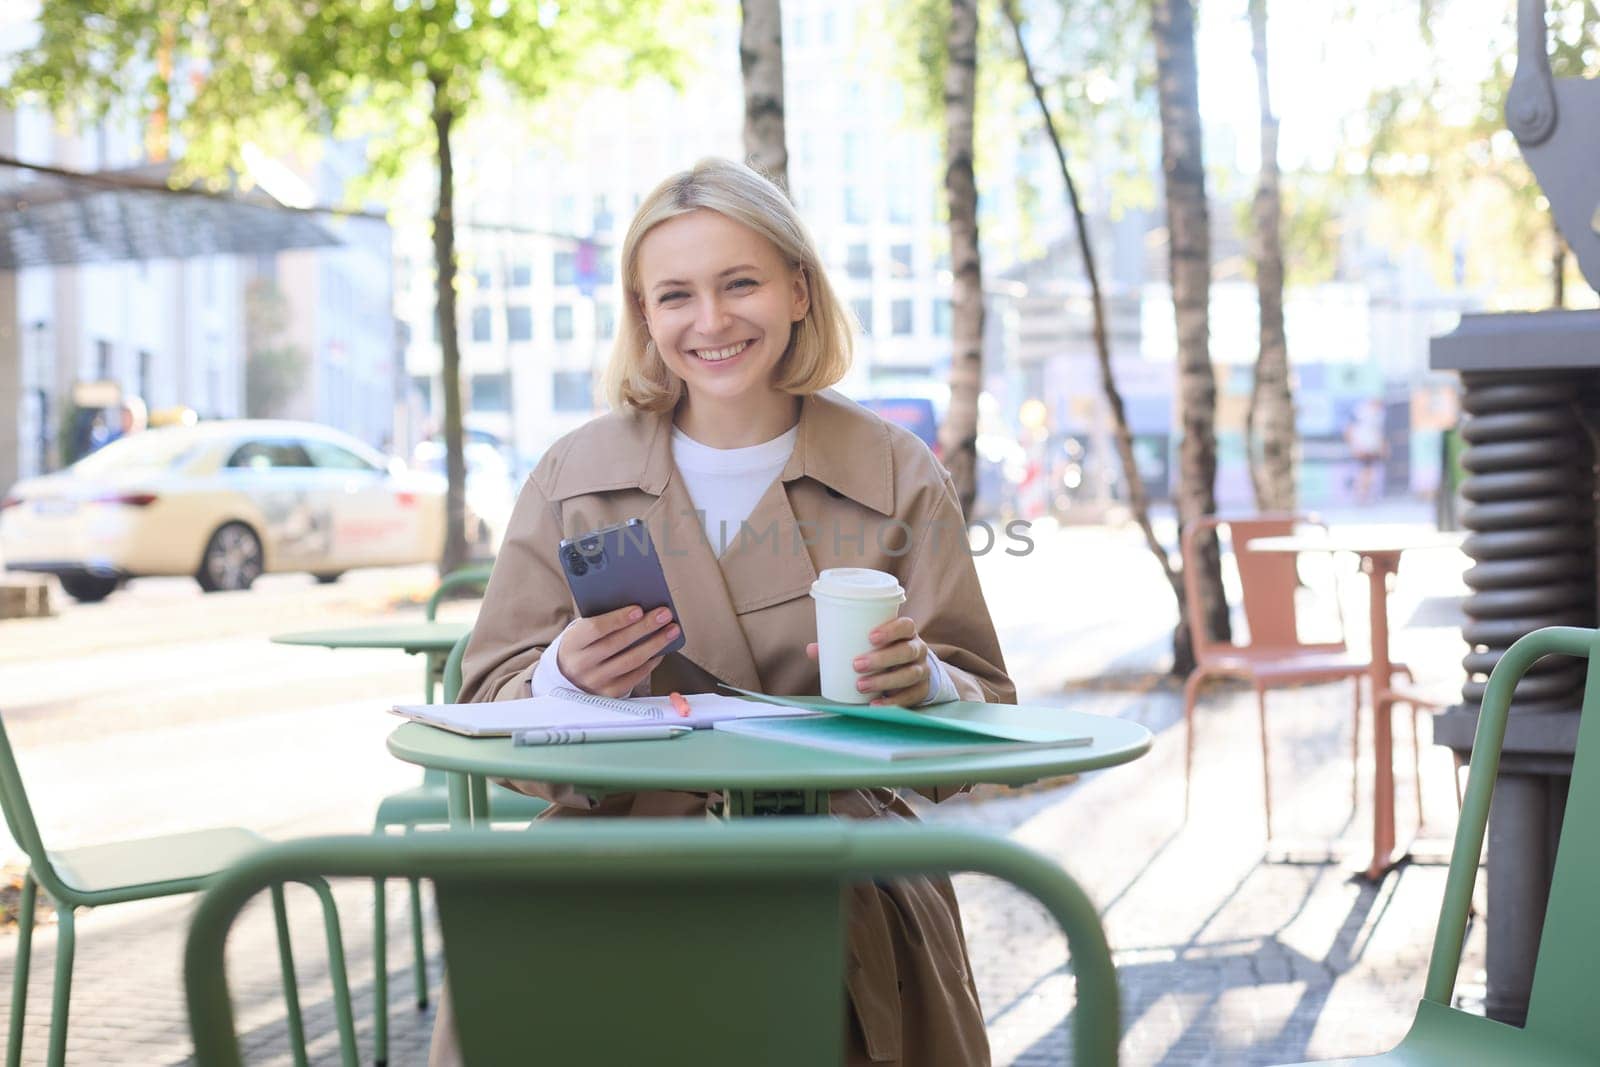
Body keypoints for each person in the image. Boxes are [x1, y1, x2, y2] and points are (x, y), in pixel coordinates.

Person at [433, 158, 1014, 1066]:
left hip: (835, 866)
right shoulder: (570, 474)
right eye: (675, 295)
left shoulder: (897, 471)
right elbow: (485, 697)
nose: (710, 321)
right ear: (643, 314)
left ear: (797, 288)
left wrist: (928, 683)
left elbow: (987, 703)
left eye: (739, 282)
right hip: (614, 866)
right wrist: (563, 679)